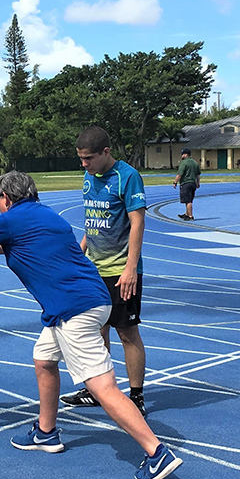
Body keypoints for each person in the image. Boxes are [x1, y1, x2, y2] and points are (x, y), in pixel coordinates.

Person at [0, 172, 182, 479]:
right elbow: (3, 246)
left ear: (6, 197)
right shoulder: (46, 216)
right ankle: (45, 432)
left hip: (73, 309)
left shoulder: (11, 219)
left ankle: (156, 452)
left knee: (103, 387)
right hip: (91, 299)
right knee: (44, 359)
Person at [61, 126, 148, 416]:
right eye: (81, 159)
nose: (84, 164)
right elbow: (94, 221)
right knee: (97, 330)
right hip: (93, 269)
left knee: (127, 332)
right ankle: (98, 390)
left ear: (106, 152)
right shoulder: (89, 177)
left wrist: (130, 268)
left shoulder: (128, 177)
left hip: (121, 270)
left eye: (88, 158)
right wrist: (79, 252)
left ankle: (136, 396)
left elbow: (137, 223)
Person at [173, 147, 201, 220]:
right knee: (189, 199)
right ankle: (186, 213)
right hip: (193, 183)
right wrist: (198, 182)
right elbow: (198, 174)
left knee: (188, 201)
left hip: (186, 183)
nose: (181, 156)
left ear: (186, 154)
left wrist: (175, 182)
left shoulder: (184, 163)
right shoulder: (195, 163)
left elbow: (180, 174)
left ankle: (190, 216)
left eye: (182, 154)